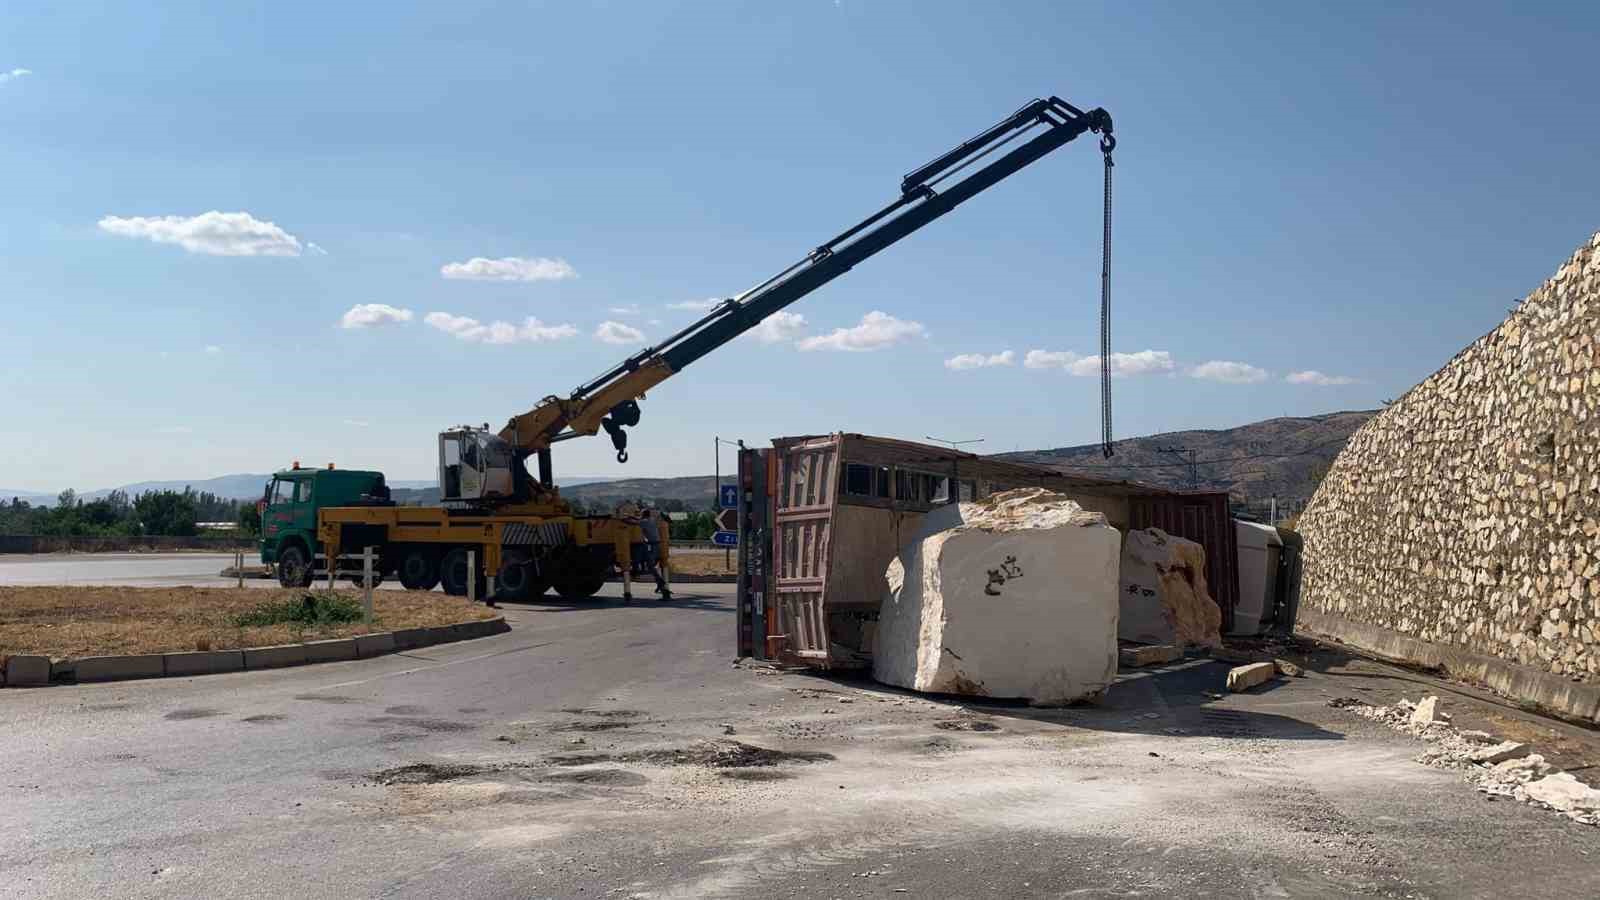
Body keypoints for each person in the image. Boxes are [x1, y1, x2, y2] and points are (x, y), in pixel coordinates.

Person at [637, 507, 672, 599]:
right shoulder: (652, 520)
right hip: (657, 544)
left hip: (652, 545)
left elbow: (634, 523)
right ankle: (659, 584)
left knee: (650, 565)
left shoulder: (644, 522)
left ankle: (660, 582)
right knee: (651, 564)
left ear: (643, 515)